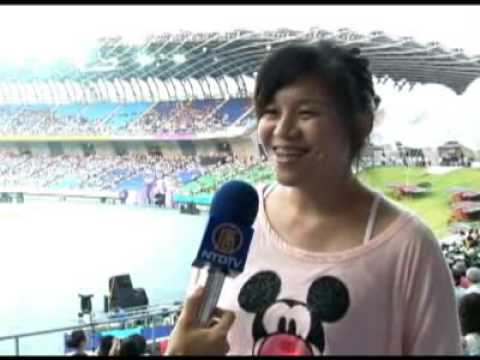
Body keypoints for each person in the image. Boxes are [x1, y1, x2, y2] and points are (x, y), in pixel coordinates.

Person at [166, 41, 462, 355]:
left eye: (306, 113)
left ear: (361, 123)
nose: (283, 130)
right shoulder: (237, 217)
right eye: (271, 112)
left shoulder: (409, 248)